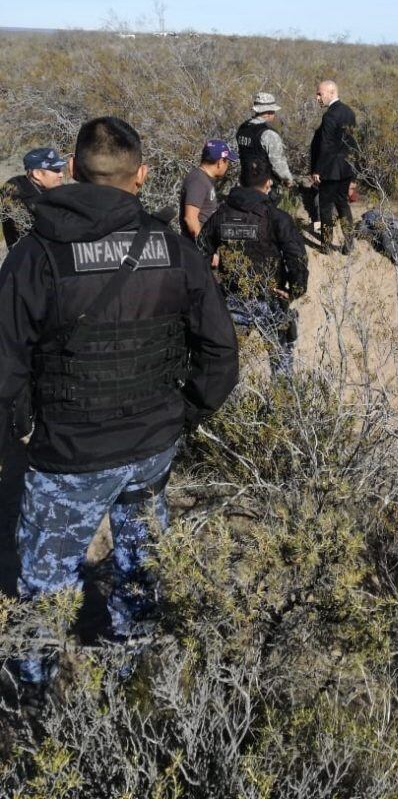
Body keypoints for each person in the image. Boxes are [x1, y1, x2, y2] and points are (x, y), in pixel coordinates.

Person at [0, 117, 239, 694]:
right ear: (142, 175)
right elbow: (220, 351)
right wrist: (186, 413)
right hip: (152, 447)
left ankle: (34, 696)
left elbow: (4, 365)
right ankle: (130, 675)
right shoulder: (176, 251)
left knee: (46, 579)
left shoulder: (35, 255)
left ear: (74, 171)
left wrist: (21, 433)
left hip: (68, 455)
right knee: (142, 562)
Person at [198, 159, 308, 378]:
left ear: (240, 182)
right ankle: (283, 409)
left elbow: (200, 252)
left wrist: (212, 290)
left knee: (228, 372)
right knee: (281, 367)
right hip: (270, 300)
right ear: (268, 183)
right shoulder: (276, 217)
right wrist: (294, 289)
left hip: (232, 300)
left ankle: (231, 410)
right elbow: (297, 257)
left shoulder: (220, 215)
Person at [310, 80, 358, 254]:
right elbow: (353, 143)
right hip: (346, 169)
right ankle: (349, 243)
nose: (317, 98)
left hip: (330, 171)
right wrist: (354, 173)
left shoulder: (330, 115)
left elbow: (326, 145)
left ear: (331, 92)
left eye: (319, 94)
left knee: (325, 209)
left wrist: (317, 170)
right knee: (343, 205)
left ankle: (326, 246)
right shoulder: (349, 112)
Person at [1, 147, 66, 250]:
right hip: (28, 259)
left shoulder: (54, 188)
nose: (61, 174)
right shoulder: (14, 191)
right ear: (37, 174)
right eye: (55, 170)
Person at [236, 92, 294, 198]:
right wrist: (288, 179)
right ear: (268, 112)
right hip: (265, 186)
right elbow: (278, 164)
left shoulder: (243, 128)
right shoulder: (268, 134)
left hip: (245, 181)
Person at [178, 138, 236, 240]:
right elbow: (190, 219)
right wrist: (204, 248)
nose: (227, 166)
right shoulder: (198, 180)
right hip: (194, 250)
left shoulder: (204, 179)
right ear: (220, 162)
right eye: (227, 162)